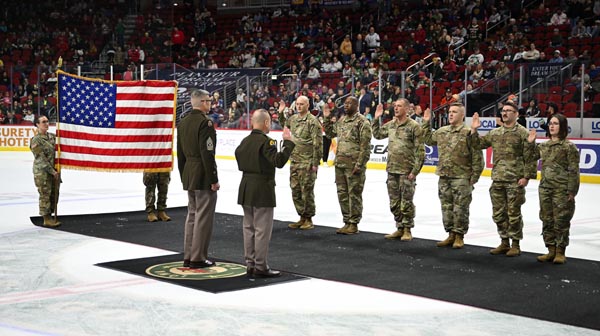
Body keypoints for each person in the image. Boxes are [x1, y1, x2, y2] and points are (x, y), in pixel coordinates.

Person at [471, 101, 538, 256]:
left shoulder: (522, 133)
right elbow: (478, 145)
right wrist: (474, 130)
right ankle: (504, 241)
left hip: (515, 179)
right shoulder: (495, 133)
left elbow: (530, 157)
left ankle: (515, 244)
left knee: (513, 213)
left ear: (516, 114)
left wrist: (527, 176)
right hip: (498, 179)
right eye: (503, 111)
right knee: (499, 213)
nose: (504, 113)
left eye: (508, 110)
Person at [235, 109, 295, 278]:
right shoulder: (266, 142)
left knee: (248, 227)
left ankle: (250, 263)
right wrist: (288, 144)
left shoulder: (244, 142)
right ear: (266, 123)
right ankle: (260, 265)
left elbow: (239, 159)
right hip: (262, 188)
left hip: (246, 187)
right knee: (262, 229)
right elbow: (279, 161)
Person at [421, 103, 483, 248]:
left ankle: (459, 235)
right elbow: (428, 139)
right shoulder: (442, 131)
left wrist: (474, 177)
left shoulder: (468, 132)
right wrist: (425, 123)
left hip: (462, 176)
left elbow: (477, 156)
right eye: (449, 112)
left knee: (460, 208)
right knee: (446, 207)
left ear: (462, 115)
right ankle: (450, 234)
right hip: (444, 175)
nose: (450, 114)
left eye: (454, 112)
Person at [527, 114, 580, 264]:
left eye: (555, 123)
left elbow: (574, 170)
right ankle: (550, 249)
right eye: (550, 123)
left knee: (561, 221)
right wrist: (531, 143)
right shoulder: (544, 146)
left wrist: (572, 190)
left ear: (562, 126)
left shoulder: (569, 147)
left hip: (561, 190)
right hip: (545, 188)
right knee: (547, 219)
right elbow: (530, 157)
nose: (551, 126)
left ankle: (560, 251)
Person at [177, 89, 220, 269]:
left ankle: (189, 254)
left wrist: (183, 175)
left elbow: (180, 154)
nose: (210, 103)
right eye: (209, 101)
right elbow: (207, 154)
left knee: (192, 215)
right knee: (203, 217)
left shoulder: (184, 122)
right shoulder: (205, 124)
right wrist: (213, 179)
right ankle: (198, 257)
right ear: (202, 102)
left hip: (189, 172)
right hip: (202, 174)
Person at [372, 99, 424, 241]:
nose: (396, 108)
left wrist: (415, 171)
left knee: (406, 202)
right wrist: (376, 119)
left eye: (399, 106)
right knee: (394, 202)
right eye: (395, 106)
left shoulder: (414, 127)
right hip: (392, 169)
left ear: (407, 109)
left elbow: (420, 151)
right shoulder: (391, 125)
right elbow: (377, 135)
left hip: (406, 171)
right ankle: (399, 227)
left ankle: (407, 229)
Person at [322, 96, 372, 235]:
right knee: (342, 194)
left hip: (353, 165)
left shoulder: (362, 122)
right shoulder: (342, 120)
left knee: (354, 194)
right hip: (340, 164)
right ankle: (346, 221)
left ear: (357, 106)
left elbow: (365, 146)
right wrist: (326, 118)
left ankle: (354, 223)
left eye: (349, 103)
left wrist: (360, 164)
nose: (346, 105)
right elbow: (330, 134)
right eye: (345, 103)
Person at [279, 96, 323, 230]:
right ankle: (301, 216)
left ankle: (308, 218)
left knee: (307, 191)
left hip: (307, 162)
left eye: (301, 104)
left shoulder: (312, 121)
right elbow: (284, 125)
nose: (298, 106)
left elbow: (318, 144)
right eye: (297, 104)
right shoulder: (293, 119)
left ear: (308, 105)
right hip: (295, 161)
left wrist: (315, 163)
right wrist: (281, 113)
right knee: (295, 190)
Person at [30, 115, 61, 227]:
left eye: (47, 121)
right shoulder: (36, 140)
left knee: (54, 194)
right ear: (37, 124)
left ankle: (51, 215)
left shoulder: (52, 137)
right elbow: (41, 159)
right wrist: (52, 171)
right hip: (42, 173)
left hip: (54, 171)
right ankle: (46, 218)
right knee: (45, 195)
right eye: (43, 122)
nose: (46, 123)